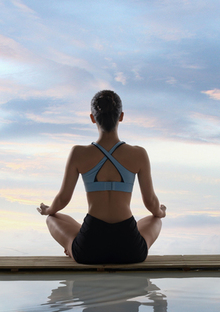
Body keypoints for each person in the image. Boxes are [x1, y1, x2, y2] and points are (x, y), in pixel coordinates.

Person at [38, 90, 166, 264]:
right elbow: (151, 202)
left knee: (53, 218)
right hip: (130, 248)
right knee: (155, 219)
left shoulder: (79, 153)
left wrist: (48, 210)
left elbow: (63, 198)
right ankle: (78, 242)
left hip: (89, 248)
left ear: (92, 118)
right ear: (121, 116)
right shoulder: (138, 154)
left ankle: (71, 247)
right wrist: (161, 212)